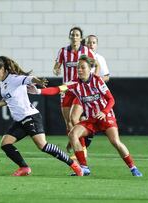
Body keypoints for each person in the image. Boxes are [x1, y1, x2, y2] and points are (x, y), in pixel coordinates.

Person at [29, 55, 143, 177]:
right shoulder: (74, 83)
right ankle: (84, 168)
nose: (79, 70)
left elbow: (111, 100)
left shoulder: (97, 81)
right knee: (73, 134)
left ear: (90, 69)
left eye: (83, 67)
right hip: (91, 120)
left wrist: (103, 112)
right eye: (78, 68)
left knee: (115, 141)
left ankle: (133, 168)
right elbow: (57, 89)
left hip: (105, 116)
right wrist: (39, 91)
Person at [0, 56, 83, 176]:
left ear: (2, 69)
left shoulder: (14, 79)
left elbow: (30, 79)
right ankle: (24, 168)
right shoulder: (2, 83)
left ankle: (73, 164)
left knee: (43, 145)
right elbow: (6, 101)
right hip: (20, 120)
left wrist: (39, 82)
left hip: (30, 117)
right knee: (5, 144)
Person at [53, 27, 97, 157]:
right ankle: (77, 143)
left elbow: (96, 65)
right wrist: (56, 70)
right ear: (69, 37)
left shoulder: (86, 51)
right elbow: (56, 66)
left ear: (81, 38)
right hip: (66, 89)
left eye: (77, 35)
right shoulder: (63, 51)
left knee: (75, 119)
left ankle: (82, 148)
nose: (74, 37)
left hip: (80, 89)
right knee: (68, 122)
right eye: (72, 35)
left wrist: (93, 79)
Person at [68, 34, 111, 153]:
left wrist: (96, 81)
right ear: (84, 44)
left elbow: (106, 77)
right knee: (73, 119)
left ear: (96, 45)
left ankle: (83, 140)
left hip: (94, 94)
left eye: (93, 43)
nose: (91, 45)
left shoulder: (99, 59)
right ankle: (82, 142)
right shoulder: (79, 57)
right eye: (88, 42)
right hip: (80, 91)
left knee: (82, 118)